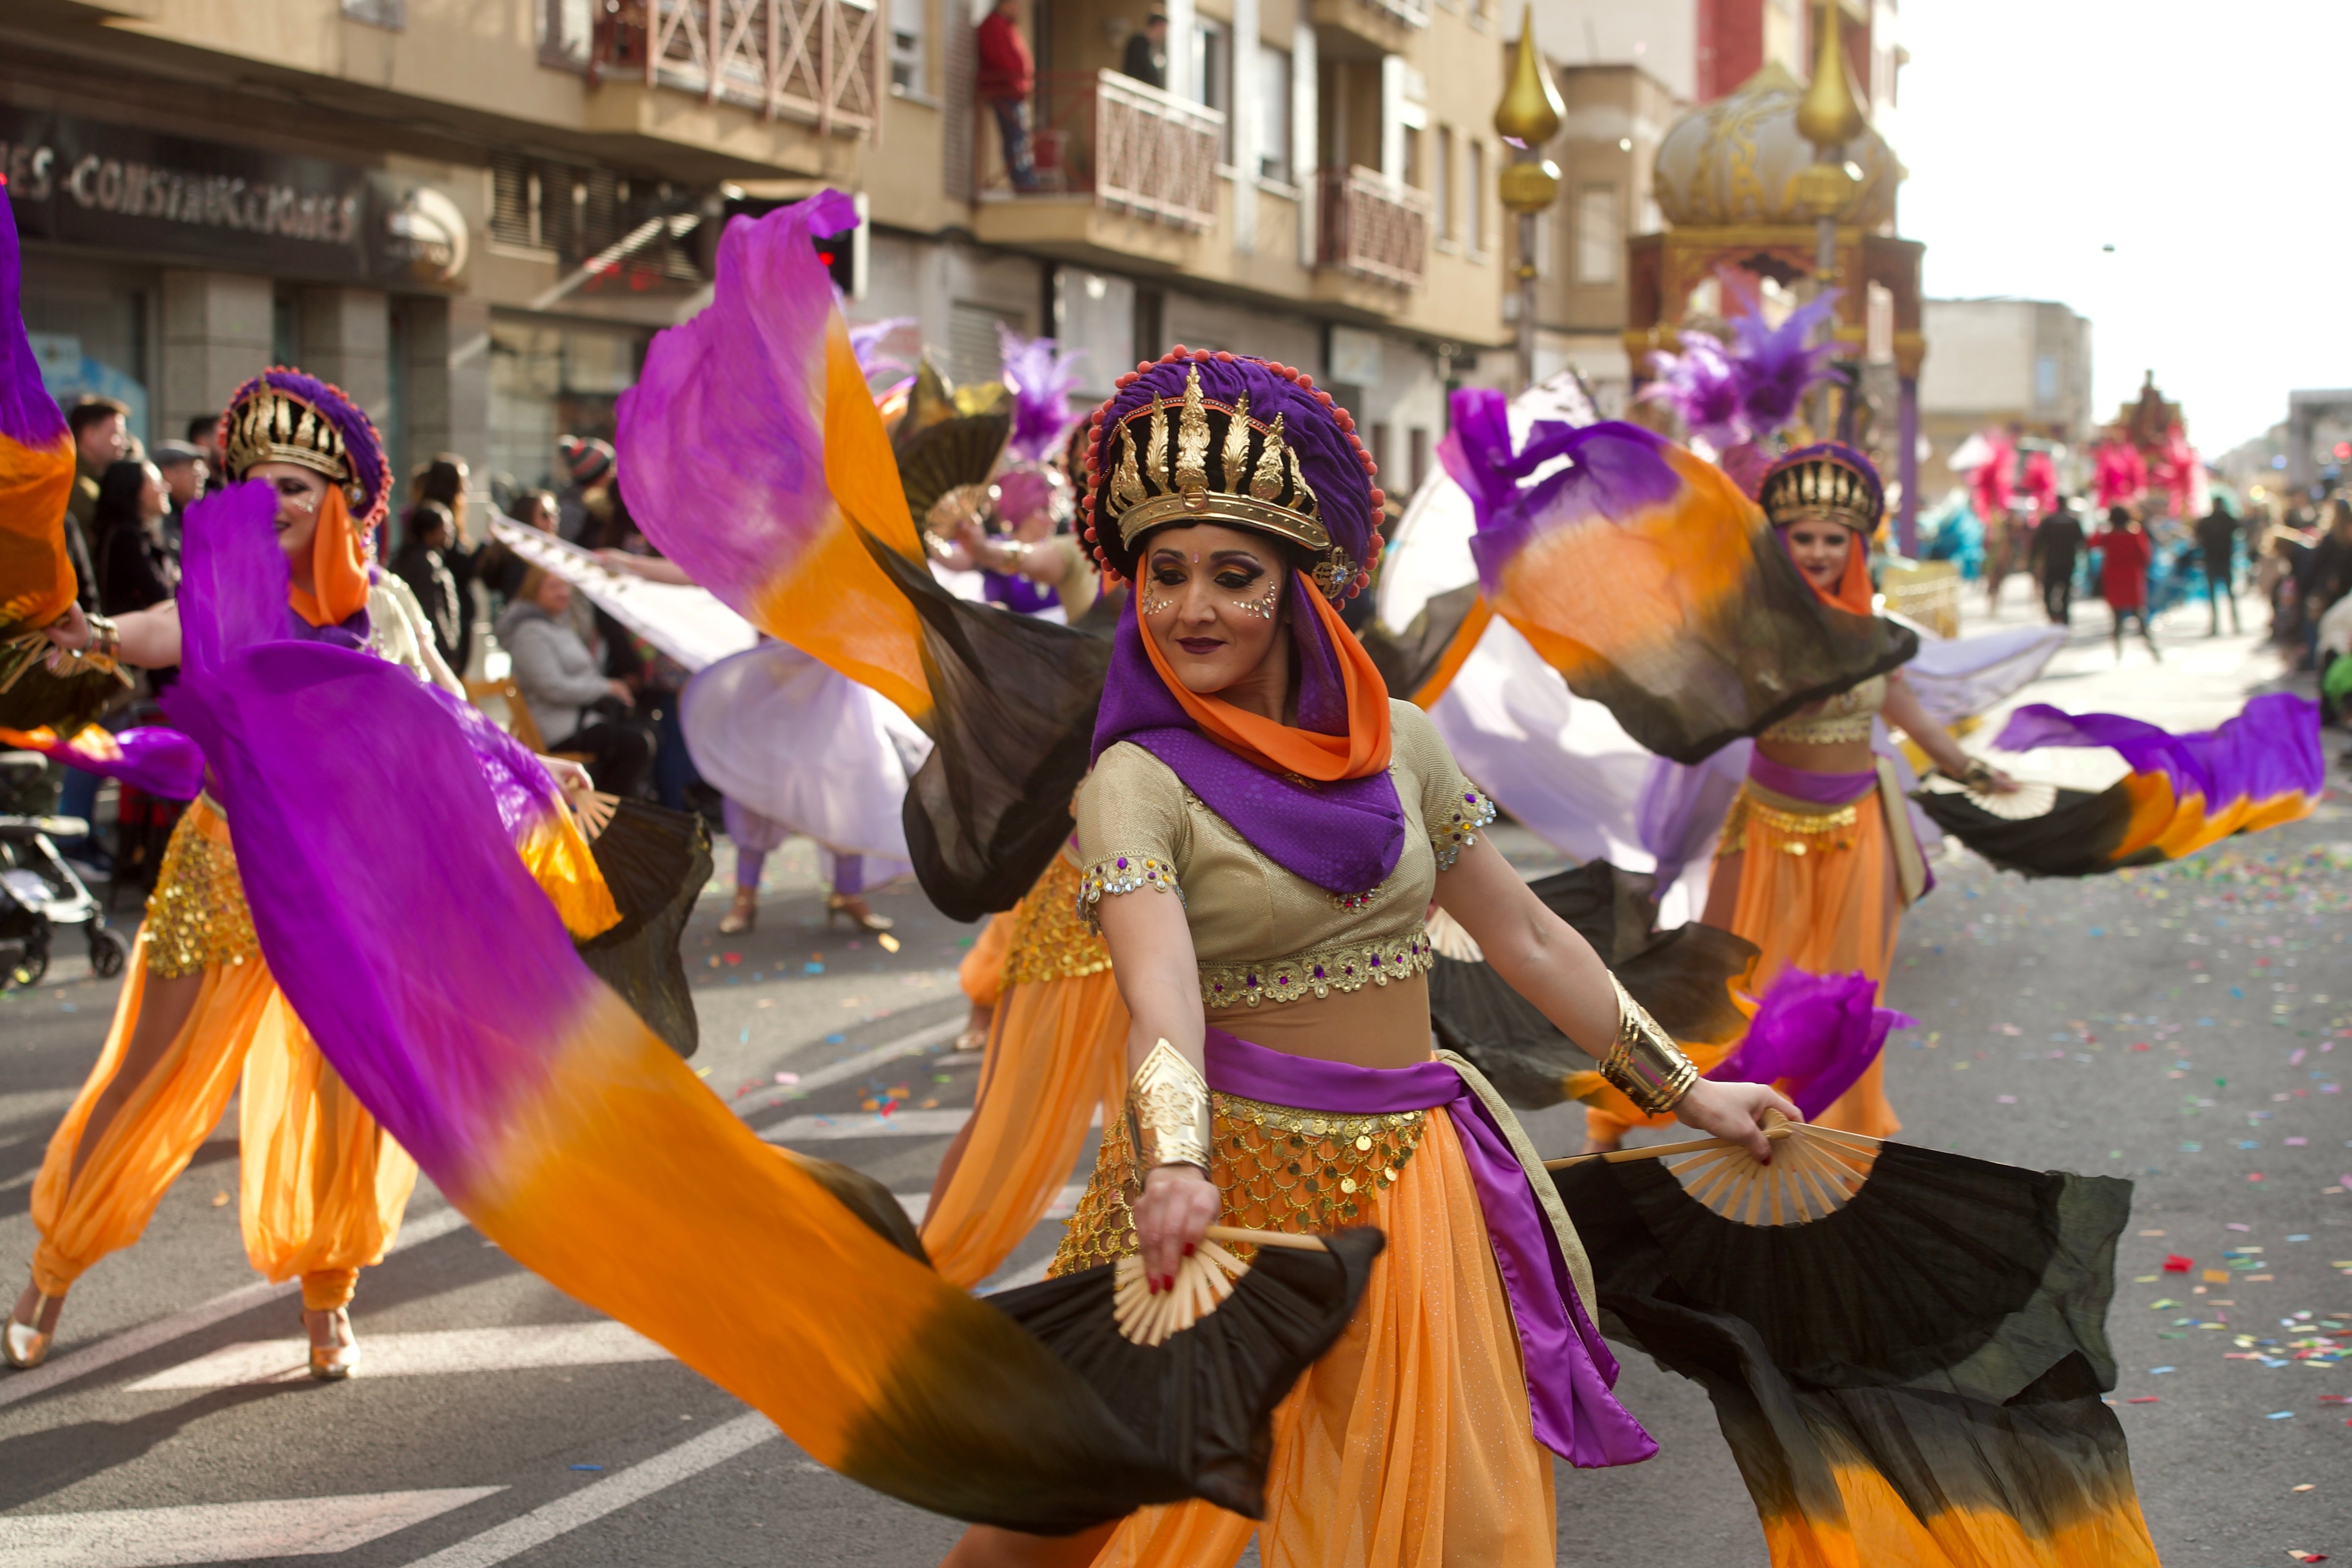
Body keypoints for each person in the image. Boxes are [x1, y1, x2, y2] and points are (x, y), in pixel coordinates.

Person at [941, 353, 1796, 1568]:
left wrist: (1689, 1090)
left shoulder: (1403, 745)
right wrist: (1174, 1165)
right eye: (1164, 575)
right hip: (1224, 1182)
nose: (1192, 610)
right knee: (1055, 1516)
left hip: (1413, 1179)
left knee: (1437, 1524)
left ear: (1302, 589)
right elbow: (1161, 997)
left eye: (1233, 577)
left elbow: (1529, 936)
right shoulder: (1133, 782)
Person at [11, 370, 470, 1381]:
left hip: (343, 882)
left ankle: (328, 1298)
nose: (280, 502)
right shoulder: (232, 589)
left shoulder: (386, 607)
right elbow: (159, 630)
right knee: (148, 1073)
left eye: (301, 485)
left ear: (343, 497)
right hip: (222, 862)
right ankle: (49, 1270)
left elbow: (450, 715)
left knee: (344, 1088)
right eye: (260, 484)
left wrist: (540, 767)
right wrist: (90, 633)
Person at [1624, 446, 2018, 1153]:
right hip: (1765, 835)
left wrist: (1975, 771)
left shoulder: (1875, 635)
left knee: (1844, 993)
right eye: (1801, 537)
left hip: (1860, 835)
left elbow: (1912, 717)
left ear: (1855, 546)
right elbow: (1690, 689)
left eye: (1832, 538)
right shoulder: (1746, 628)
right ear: (1779, 544)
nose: (1816, 550)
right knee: (1748, 992)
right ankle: (1746, 1119)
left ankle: (1840, 1132)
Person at [496, 566, 655, 799]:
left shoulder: (556, 625)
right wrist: (605, 688)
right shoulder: (529, 633)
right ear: (533, 591)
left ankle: (611, 812)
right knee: (637, 744)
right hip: (560, 728)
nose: (562, 592)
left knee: (644, 730)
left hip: (581, 719)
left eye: (564, 586)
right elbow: (552, 687)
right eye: (553, 587)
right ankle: (608, 816)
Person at [410, 455, 480, 675]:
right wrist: (449, 650)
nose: (467, 488)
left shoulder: (443, 521)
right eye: (463, 481)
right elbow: (435, 605)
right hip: (443, 633)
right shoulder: (428, 557)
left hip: (455, 624)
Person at [87, 458, 175, 620]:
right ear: (136, 490)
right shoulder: (125, 539)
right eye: (157, 482)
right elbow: (159, 595)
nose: (166, 488)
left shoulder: (136, 535)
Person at [976, 0, 1041, 193]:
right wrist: (1016, 82)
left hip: (1017, 93)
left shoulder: (1009, 25)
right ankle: (1023, 184)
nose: (1020, 7)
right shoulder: (993, 25)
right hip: (1005, 92)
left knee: (1022, 140)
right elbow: (999, 59)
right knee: (1015, 139)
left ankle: (1028, 181)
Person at [391, 498, 465, 666]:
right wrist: (448, 652)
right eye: (445, 527)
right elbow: (434, 609)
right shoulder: (425, 563)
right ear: (428, 533)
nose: (450, 532)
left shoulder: (408, 558)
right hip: (430, 649)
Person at [2090, 505, 2161, 662]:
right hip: (2133, 581)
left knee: (2117, 620)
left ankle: (2118, 654)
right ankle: (2152, 650)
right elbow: (2145, 557)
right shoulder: (2135, 534)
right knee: (2140, 617)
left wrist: (2100, 526)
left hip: (2113, 582)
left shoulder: (2108, 536)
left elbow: (2092, 543)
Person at [2032, 494, 2085, 626]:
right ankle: (2063, 617)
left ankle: (2054, 616)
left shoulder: (2049, 522)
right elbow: (2082, 543)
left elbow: (2037, 543)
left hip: (2052, 563)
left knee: (2048, 593)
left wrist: (2033, 561)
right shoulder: (2073, 522)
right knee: (2065, 593)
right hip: (2068, 563)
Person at [2194, 498, 2242, 636]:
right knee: (2228, 594)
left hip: (2214, 560)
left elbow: (2197, 538)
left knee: (2216, 595)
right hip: (2223, 560)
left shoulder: (2208, 521)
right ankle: (2233, 624)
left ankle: (2218, 625)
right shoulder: (2228, 520)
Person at [1119, 12, 1167, 88]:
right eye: (1164, 28)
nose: (1165, 33)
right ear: (1158, 25)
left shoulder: (1152, 47)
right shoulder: (1138, 43)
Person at [185, 412, 225, 493]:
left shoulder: (224, 483)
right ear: (202, 442)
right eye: (223, 438)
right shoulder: (196, 491)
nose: (227, 446)